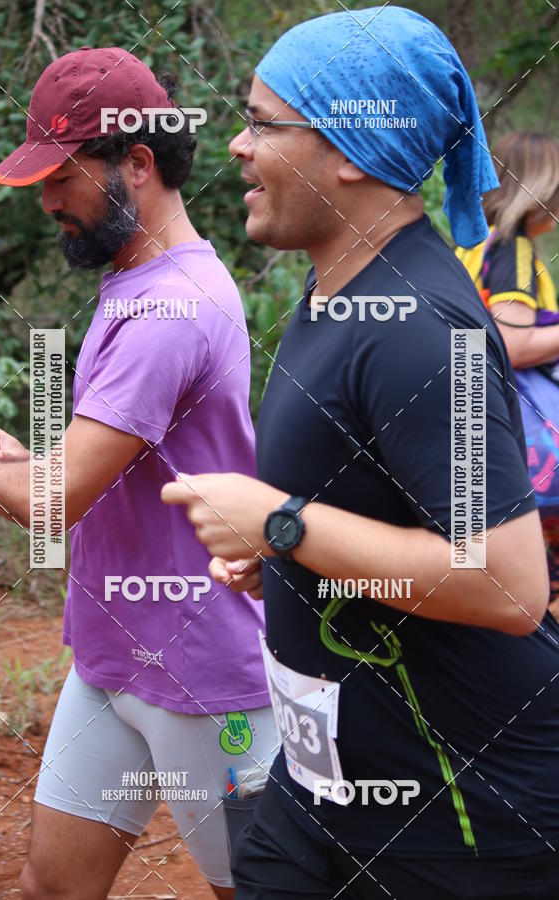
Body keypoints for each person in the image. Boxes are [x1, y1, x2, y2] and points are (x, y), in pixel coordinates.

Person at [162, 8, 559, 899]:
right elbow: (387, 509)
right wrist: (298, 559)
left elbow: (506, 581)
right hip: (329, 790)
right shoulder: (341, 290)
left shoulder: (420, 324)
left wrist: (283, 524)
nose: (235, 145)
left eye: (264, 122)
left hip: (458, 816)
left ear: (350, 149)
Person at [0, 47, 277, 900]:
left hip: (203, 682)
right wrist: (16, 462)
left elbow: (58, 503)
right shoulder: (137, 284)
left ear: (137, 163)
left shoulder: (169, 312)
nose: (47, 199)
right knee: (48, 889)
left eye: (61, 175)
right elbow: (108, 466)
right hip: (112, 663)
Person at [456, 132, 559, 617]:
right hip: (527, 448)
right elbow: (512, 343)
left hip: (477, 433)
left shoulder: (471, 249)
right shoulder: (514, 251)